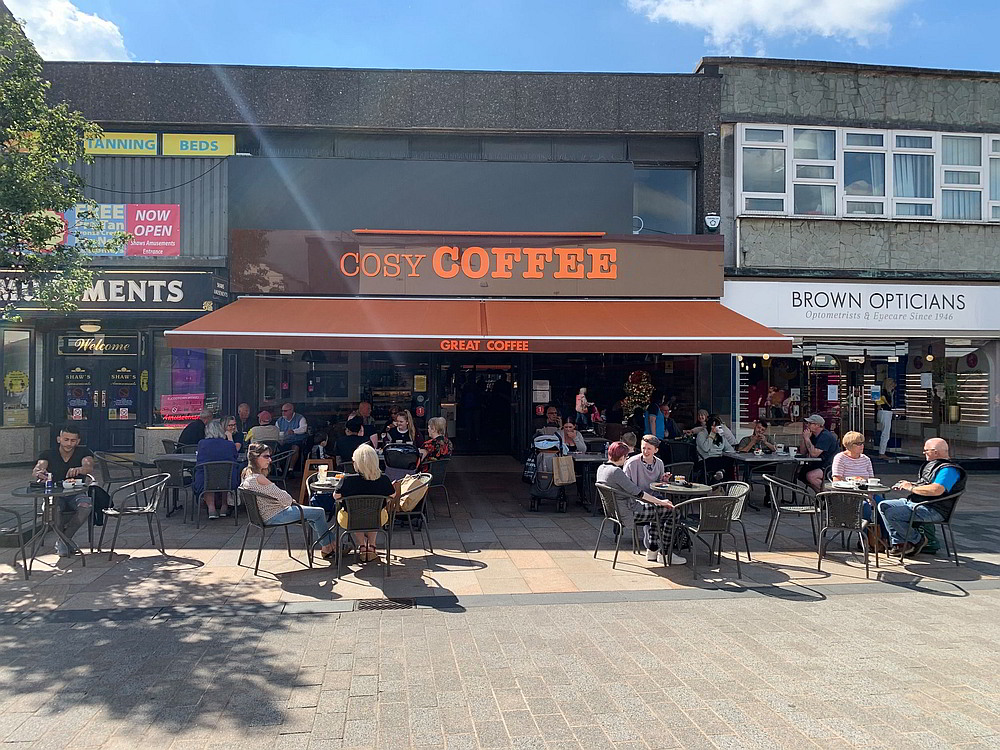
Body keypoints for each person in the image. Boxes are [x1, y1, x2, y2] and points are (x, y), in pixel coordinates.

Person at [240, 442, 336, 559]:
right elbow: (284, 497)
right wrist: (291, 500)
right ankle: (328, 546)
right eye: (266, 456)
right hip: (275, 515)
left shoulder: (246, 474)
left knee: (312, 514)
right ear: (255, 458)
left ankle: (332, 544)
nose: (270, 460)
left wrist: (289, 501)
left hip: (263, 515)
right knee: (319, 512)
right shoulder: (259, 478)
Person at [596, 441, 685, 565]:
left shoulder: (602, 468)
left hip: (615, 511)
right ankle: (665, 553)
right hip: (629, 512)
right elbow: (639, 493)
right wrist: (661, 502)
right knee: (673, 511)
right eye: (626, 456)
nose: (626, 459)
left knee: (658, 510)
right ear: (622, 457)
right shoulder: (616, 472)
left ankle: (653, 550)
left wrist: (658, 503)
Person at [880, 438, 966, 556]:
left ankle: (916, 540)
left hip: (933, 509)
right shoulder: (935, 466)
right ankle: (902, 543)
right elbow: (927, 484)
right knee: (883, 505)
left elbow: (936, 490)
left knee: (892, 513)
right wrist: (910, 484)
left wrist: (911, 488)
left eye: (926, 450)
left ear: (935, 452)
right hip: (918, 503)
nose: (923, 453)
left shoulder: (948, 470)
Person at [32, 424, 94, 556]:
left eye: (73, 440)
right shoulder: (48, 454)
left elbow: (88, 467)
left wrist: (79, 470)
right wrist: (39, 472)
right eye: (66, 439)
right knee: (53, 508)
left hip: (76, 492)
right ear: (59, 439)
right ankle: (66, 541)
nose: (69, 444)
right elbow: (38, 467)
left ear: (78, 441)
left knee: (86, 506)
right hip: (54, 493)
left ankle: (63, 540)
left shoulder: (84, 452)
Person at [334, 443, 395, 563]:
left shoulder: (347, 480)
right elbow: (392, 495)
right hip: (377, 518)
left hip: (351, 520)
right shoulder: (384, 479)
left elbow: (336, 496)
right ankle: (371, 546)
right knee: (374, 512)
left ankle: (362, 545)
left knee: (354, 513)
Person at [194, 419, 241, 519]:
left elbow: (199, 460)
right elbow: (235, 456)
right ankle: (224, 506)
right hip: (228, 481)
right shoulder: (229, 444)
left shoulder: (202, 444)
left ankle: (211, 508)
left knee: (208, 475)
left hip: (205, 481)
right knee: (224, 473)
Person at [799, 414, 839, 492]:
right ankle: (820, 496)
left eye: (810, 423)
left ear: (818, 425)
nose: (807, 425)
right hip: (818, 463)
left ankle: (828, 494)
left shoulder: (825, 436)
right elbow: (802, 452)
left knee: (811, 476)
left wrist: (807, 439)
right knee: (802, 474)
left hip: (829, 465)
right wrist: (805, 438)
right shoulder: (812, 436)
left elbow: (814, 454)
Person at [696, 414, 737, 480]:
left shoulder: (720, 436)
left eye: (717, 426)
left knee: (730, 460)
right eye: (713, 426)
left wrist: (733, 453)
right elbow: (705, 448)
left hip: (718, 458)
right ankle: (722, 475)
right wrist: (712, 434)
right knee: (724, 465)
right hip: (706, 459)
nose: (715, 428)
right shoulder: (701, 435)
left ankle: (727, 482)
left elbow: (729, 448)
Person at [277, 402, 308, 466]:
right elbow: (276, 431)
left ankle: (291, 468)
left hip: (296, 440)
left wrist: (294, 431)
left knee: (295, 447)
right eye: (282, 411)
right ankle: (278, 468)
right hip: (284, 441)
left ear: (291, 410)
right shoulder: (279, 421)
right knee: (275, 447)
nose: (283, 413)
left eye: (285, 411)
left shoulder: (300, 418)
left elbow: (303, 429)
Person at [876, 377, 897, 458]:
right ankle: (882, 453)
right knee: (885, 433)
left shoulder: (886, 393)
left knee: (885, 432)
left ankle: (882, 451)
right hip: (885, 412)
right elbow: (882, 403)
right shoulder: (884, 393)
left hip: (884, 412)